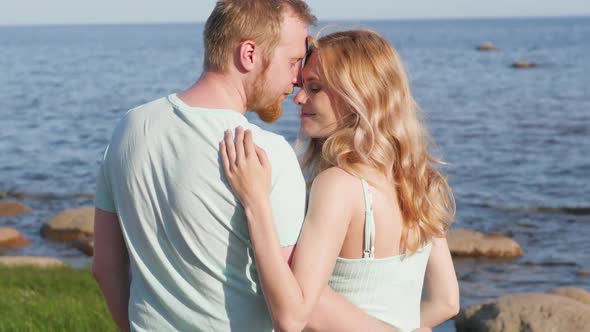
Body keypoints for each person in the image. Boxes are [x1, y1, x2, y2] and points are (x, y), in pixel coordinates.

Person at [92, 1, 402, 331]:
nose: (298, 78)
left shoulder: (130, 127)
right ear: (249, 54)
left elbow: (105, 266)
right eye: (294, 61)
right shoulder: (265, 154)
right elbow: (295, 312)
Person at [220, 30, 460, 332]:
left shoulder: (338, 185)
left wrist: (256, 201)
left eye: (315, 87)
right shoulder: (422, 178)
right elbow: (446, 301)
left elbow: (297, 312)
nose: (299, 97)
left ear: (356, 97)